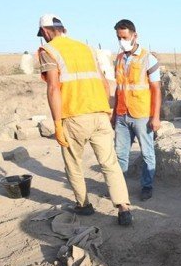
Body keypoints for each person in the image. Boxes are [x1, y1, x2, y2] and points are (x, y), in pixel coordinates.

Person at [37, 14, 133, 226]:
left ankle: (84, 205)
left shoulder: (49, 50)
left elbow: (53, 88)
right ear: (63, 28)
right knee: (110, 163)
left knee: (73, 164)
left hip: (74, 116)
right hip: (99, 113)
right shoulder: (87, 48)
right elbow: (104, 81)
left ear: (45, 32)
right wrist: (107, 110)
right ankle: (123, 207)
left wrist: (56, 124)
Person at [111, 19, 162, 202]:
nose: (121, 41)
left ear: (134, 36)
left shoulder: (148, 58)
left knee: (147, 153)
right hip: (122, 114)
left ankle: (147, 186)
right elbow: (119, 88)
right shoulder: (118, 59)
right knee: (120, 154)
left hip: (141, 115)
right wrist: (114, 112)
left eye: (124, 37)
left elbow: (156, 89)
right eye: (119, 37)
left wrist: (155, 117)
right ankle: (119, 188)